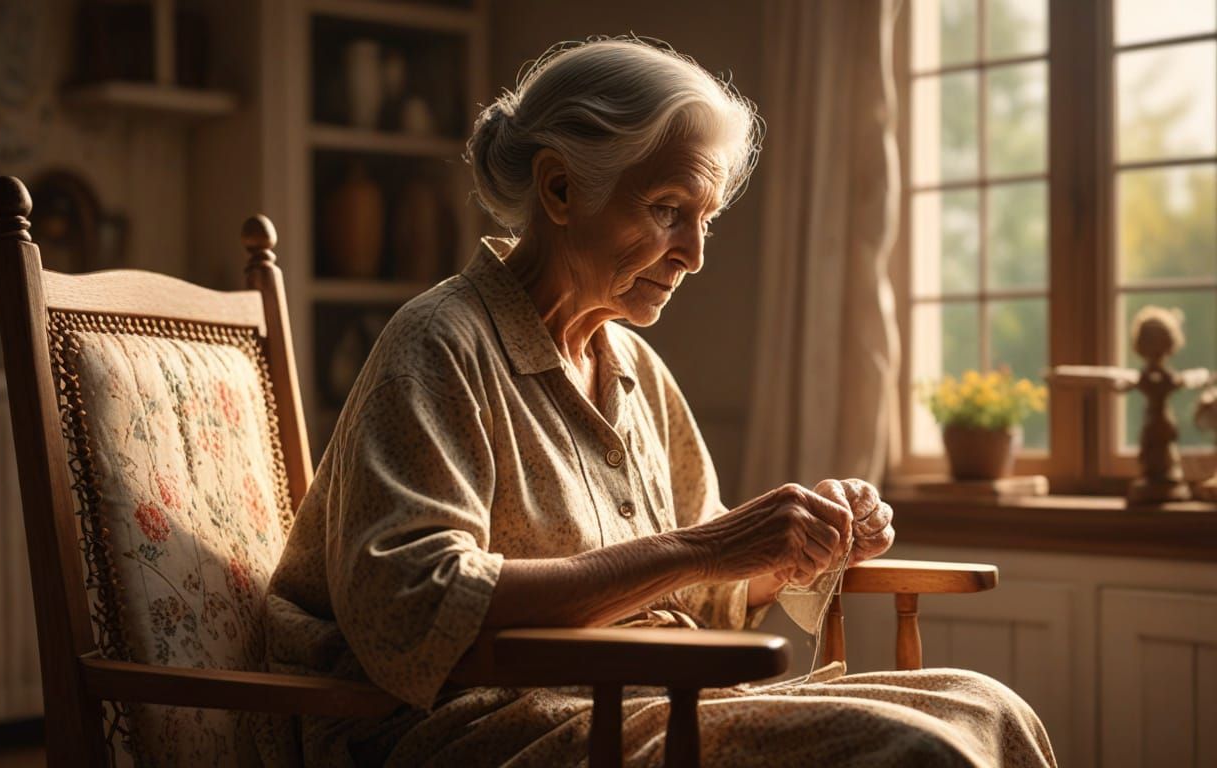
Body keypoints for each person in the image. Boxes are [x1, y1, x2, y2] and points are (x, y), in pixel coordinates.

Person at [261, 36, 1056, 767]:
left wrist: (793, 548)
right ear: (561, 187)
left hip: (644, 700)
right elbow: (408, 608)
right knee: (907, 751)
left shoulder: (631, 362)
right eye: (670, 211)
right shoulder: (440, 344)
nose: (697, 254)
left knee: (988, 707)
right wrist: (709, 547)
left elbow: (701, 594)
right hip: (495, 726)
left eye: (704, 220)